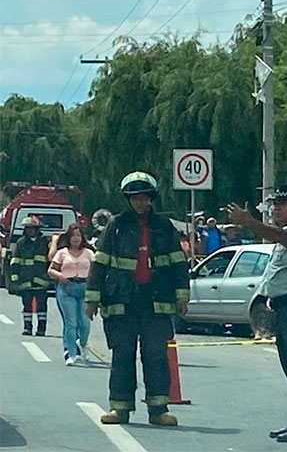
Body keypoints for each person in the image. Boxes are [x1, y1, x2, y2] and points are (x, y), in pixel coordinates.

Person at [85, 171, 189, 426]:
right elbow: (100, 264)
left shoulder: (164, 227)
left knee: (155, 356)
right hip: (121, 300)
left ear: (151, 199)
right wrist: (92, 299)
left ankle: (158, 409)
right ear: (128, 199)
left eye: (144, 198)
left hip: (156, 301)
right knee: (122, 355)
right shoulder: (116, 226)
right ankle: (119, 408)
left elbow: (178, 264)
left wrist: (182, 296)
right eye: (135, 198)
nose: (140, 203)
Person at [227, 185, 287, 443]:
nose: (277, 208)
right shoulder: (284, 231)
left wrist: (249, 222)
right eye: (275, 203)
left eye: (283, 203)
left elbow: (280, 237)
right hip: (284, 306)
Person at [48, 223, 95, 366]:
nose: (76, 239)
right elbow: (51, 270)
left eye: (78, 236)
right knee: (71, 322)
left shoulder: (89, 253)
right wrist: (60, 276)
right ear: (68, 238)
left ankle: (82, 344)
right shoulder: (62, 252)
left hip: (84, 288)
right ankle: (71, 353)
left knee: (85, 322)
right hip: (66, 288)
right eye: (73, 236)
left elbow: (96, 272)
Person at [10, 217, 50, 336]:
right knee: (27, 306)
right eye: (28, 228)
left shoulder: (45, 242)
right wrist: (15, 279)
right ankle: (27, 328)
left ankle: (41, 329)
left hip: (42, 281)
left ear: (37, 229)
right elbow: (15, 261)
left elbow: (50, 260)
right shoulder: (21, 243)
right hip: (25, 280)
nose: (30, 231)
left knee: (42, 306)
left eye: (32, 228)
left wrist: (50, 277)